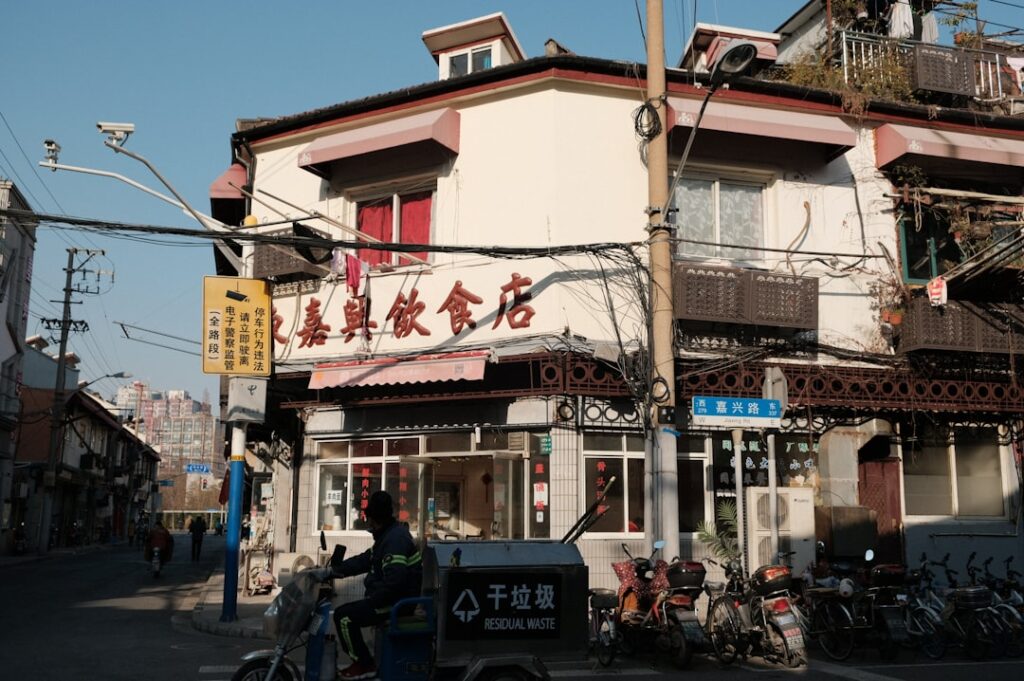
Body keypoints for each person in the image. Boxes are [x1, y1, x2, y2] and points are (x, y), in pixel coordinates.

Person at [331, 491, 422, 680]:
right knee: (349, 612)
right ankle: (365, 662)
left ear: (375, 519)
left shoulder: (394, 540)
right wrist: (335, 571)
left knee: (344, 617)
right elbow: (366, 559)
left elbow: (395, 582)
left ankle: (364, 664)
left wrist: (372, 601)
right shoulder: (387, 536)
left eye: (369, 518)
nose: (367, 523)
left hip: (399, 602)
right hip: (392, 598)